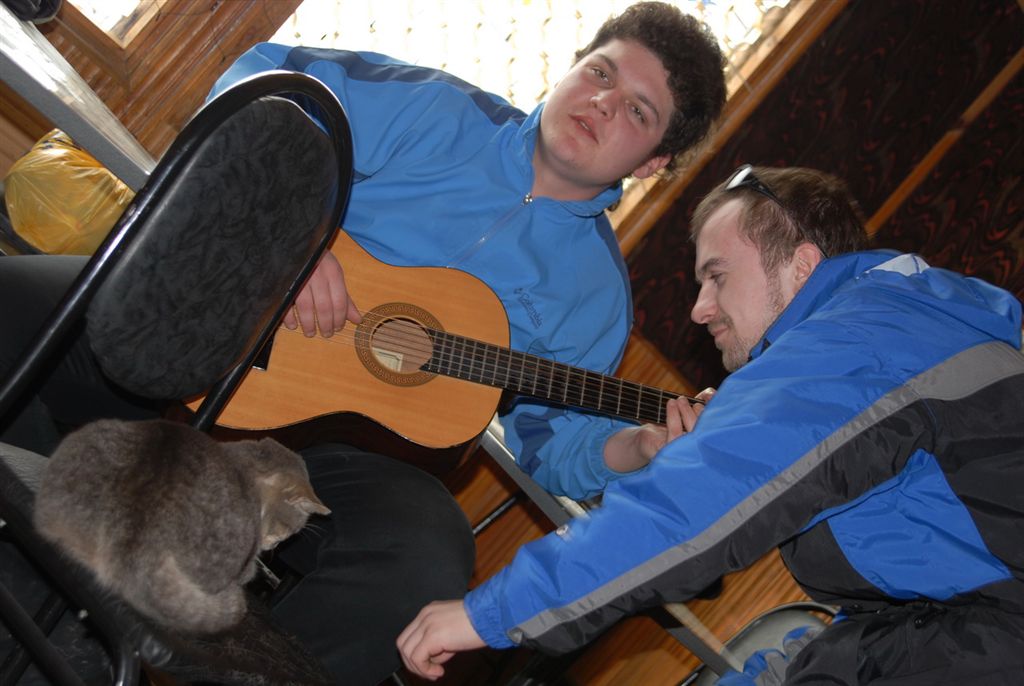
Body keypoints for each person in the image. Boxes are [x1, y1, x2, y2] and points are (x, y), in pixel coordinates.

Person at [0, 3, 727, 683]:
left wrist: (637, 447)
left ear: (652, 164)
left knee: (425, 556)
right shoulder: (439, 110)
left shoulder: (597, 297)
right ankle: (35, 561)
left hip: (347, 443)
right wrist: (297, 234)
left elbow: (550, 443)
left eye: (637, 110)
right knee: (15, 305)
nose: (602, 101)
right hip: (222, 313)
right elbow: (266, 81)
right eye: (600, 71)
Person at [398, 165, 1024, 685]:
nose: (699, 310)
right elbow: (905, 616)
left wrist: (492, 611)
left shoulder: (858, 340)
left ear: (803, 265)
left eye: (716, 277)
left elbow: (691, 508)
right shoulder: (909, 319)